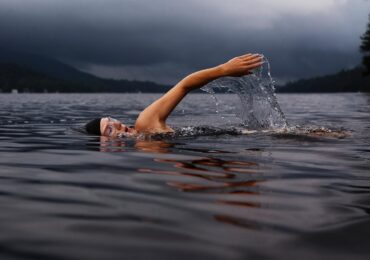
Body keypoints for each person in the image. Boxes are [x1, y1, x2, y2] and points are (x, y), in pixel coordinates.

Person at [85, 53, 263, 137]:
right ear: (105, 144)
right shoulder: (143, 142)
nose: (116, 124)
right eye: (109, 129)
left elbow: (184, 86)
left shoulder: (145, 124)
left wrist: (223, 69)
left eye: (110, 119)